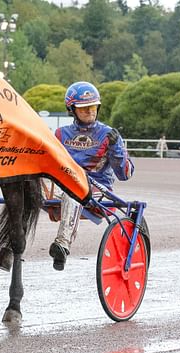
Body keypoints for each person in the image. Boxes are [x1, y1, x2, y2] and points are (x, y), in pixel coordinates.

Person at [49, 81, 134, 271]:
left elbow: (125, 174)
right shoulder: (61, 134)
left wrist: (116, 149)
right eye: (84, 108)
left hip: (97, 191)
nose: (90, 112)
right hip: (66, 187)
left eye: (93, 107)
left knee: (74, 190)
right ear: (72, 110)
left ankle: (62, 245)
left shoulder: (109, 134)